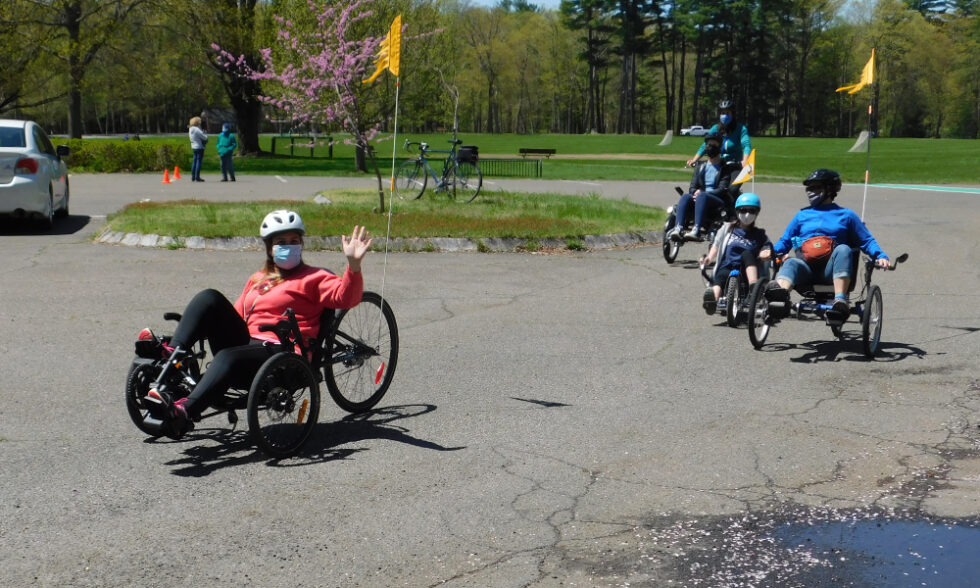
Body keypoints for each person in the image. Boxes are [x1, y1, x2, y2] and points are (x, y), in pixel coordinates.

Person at [145, 210, 372, 438]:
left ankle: (183, 411)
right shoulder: (259, 278)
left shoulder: (316, 277)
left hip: (280, 352)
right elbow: (234, 316)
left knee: (227, 356)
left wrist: (353, 266)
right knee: (209, 298)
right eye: (281, 242)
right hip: (247, 343)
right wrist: (202, 328)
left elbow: (347, 298)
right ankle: (170, 355)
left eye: (294, 241)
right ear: (270, 248)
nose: (288, 246)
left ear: (301, 245)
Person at [764, 169, 891, 322]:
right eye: (809, 188)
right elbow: (785, 240)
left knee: (843, 249)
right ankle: (780, 299)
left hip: (832, 270)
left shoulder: (846, 215)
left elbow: (866, 240)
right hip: (806, 268)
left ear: (830, 189)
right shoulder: (802, 215)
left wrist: (880, 256)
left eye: (816, 187)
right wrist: (771, 251)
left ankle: (839, 301)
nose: (811, 192)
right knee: (790, 262)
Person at [699, 192, 771, 314]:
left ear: (757, 213)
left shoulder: (759, 234)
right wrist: (709, 258)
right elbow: (717, 244)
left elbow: (767, 247)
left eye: (751, 211)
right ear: (737, 211)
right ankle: (712, 301)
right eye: (743, 210)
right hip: (728, 265)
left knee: (747, 253)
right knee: (720, 278)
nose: (747, 214)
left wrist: (765, 253)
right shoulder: (728, 228)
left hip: (747, 270)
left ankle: (754, 287)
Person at [667, 131, 741, 242]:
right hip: (700, 197)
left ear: (719, 147)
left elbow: (722, 189)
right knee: (686, 196)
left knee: (702, 196)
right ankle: (678, 228)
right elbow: (692, 186)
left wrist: (704, 194)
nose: (710, 147)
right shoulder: (701, 167)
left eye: (713, 145)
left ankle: (696, 230)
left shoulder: (724, 168)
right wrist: (695, 192)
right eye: (708, 145)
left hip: (716, 201)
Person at [686, 99, 752, 168]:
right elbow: (705, 146)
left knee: (733, 178)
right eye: (723, 113)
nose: (725, 116)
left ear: (733, 114)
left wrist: (745, 161)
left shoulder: (741, 129)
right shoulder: (715, 128)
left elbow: (747, 146)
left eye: (727, 113)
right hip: (718, 163)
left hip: (735, 165)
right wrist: (694, 160)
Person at [188, 116, 208, 182]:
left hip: (193, 146)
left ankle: (193, 176)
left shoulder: (190, 129)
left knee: (194, 161)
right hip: (199, 146)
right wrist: (205, 133)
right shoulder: (197, 129)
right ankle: (197, 177)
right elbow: (204, 137)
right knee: (198, 162)